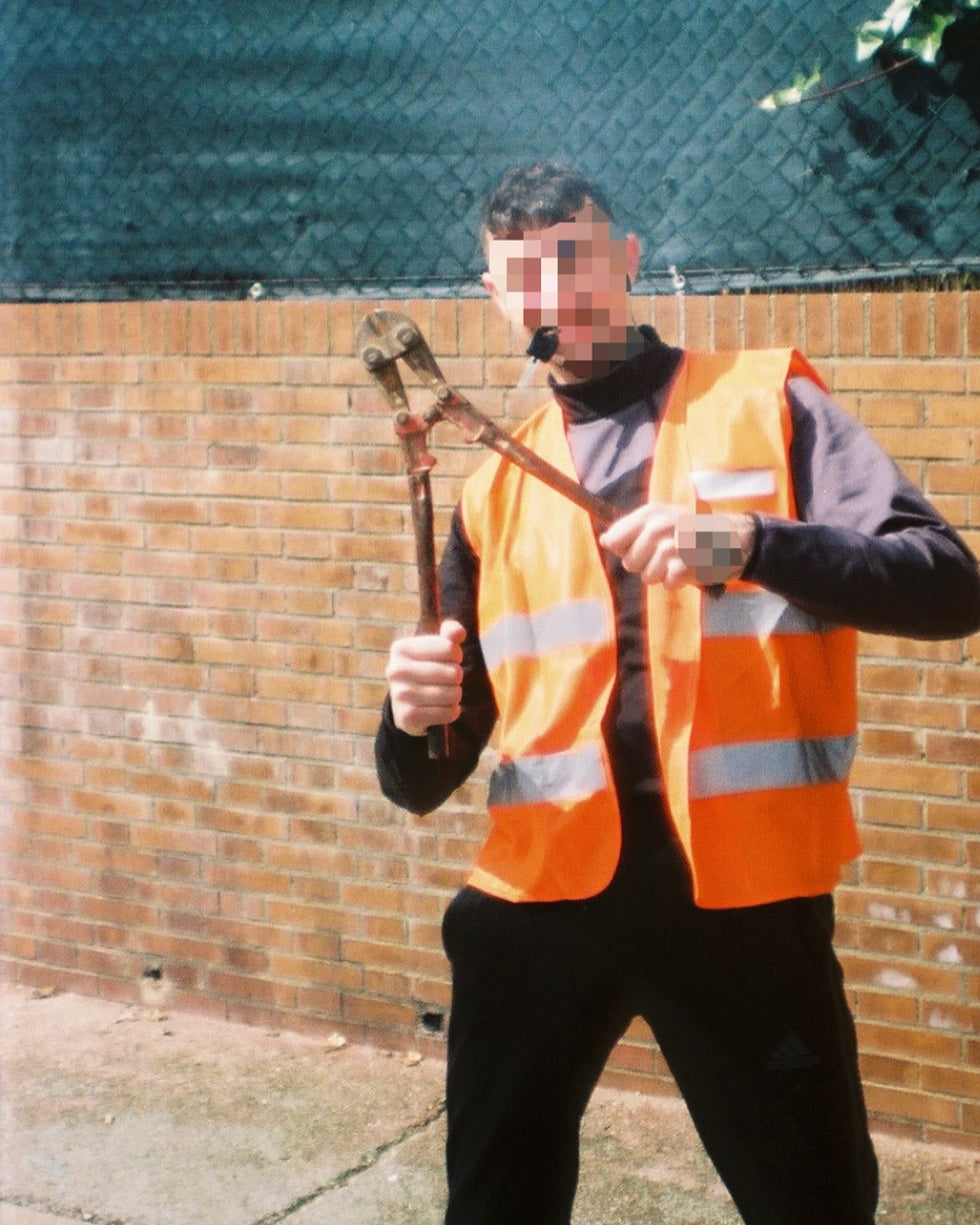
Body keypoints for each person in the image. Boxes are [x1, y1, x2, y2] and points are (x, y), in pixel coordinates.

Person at [374, 161, 980, 1225]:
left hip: (740, 905)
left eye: (575, 261)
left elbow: (947, 585)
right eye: (526, 277)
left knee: (815, 1203)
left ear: (626, 261)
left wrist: (751, 543)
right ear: (494, 297)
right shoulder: (490, 486)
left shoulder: (764, 399)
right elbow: (423, 779)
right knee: (494, 1204)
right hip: (537, 901)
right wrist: (407, 714)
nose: (557, 295)